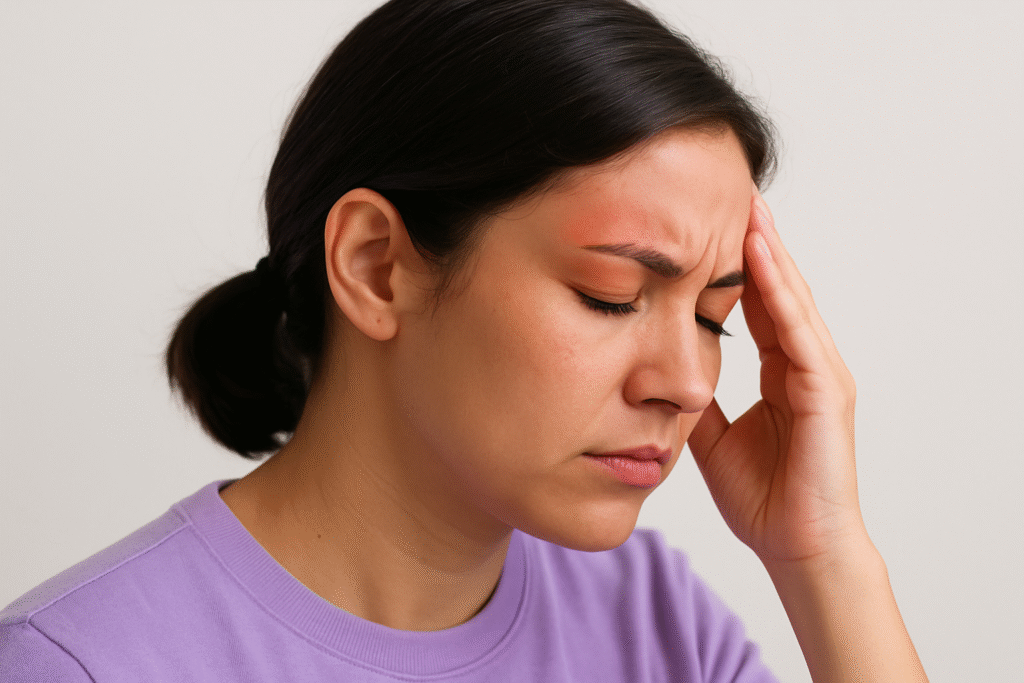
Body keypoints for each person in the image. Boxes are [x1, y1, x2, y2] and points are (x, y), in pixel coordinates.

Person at [0, 0, 929, 680]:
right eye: (611, 295)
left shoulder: (657, 624)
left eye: (712, 316)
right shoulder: (77, 664)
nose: (688, 382)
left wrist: (825, 557)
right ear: (375, 265)